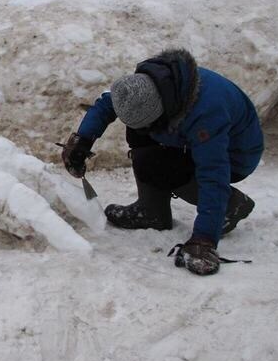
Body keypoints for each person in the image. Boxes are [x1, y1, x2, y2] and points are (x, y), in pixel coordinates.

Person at [61, 48, 264, 276]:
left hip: (235, 153)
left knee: (162, 166)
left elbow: (213, 174)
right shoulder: (145, 84)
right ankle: (152, 210)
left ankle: (231, 204)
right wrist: (82, 140)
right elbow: (109, 102)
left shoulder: (206, 115)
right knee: (141, 138)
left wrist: (204, 239)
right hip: (190, 133)